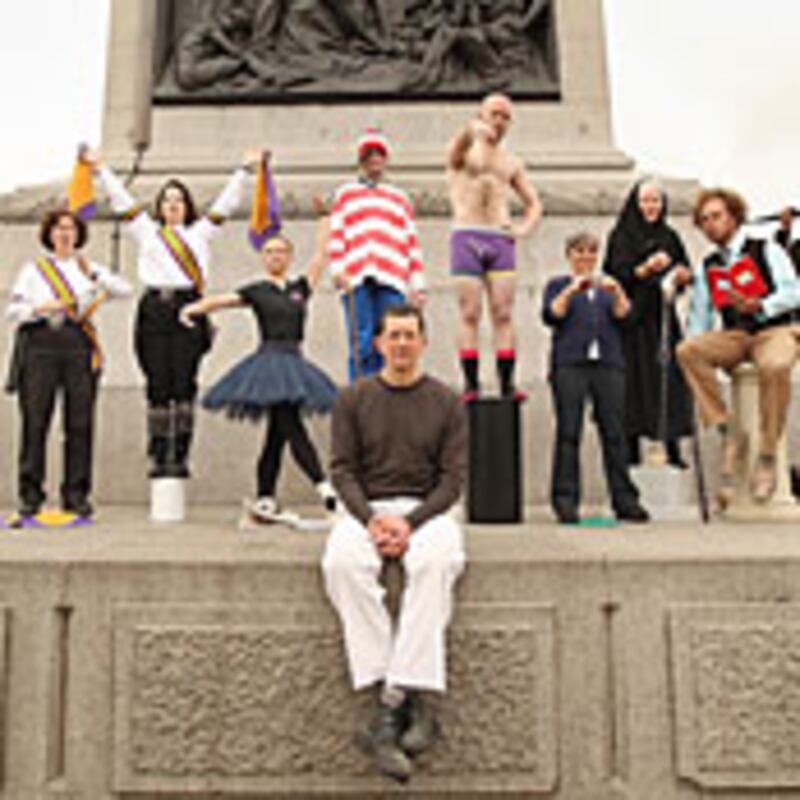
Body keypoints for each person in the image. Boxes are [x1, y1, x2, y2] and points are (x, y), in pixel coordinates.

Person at [322, 304, 466, 782]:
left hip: (427, 510)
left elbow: (452, 480)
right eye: (394, 336)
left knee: (436, 565)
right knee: (342, 565)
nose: (402, 344)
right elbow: (342, 470)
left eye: (410, 335)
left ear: (423, 342)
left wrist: (411, 523)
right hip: (367, 509)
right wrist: (371, 520)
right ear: (379, 344)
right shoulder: (353, 399)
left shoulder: (447, 401)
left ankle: (389, 706)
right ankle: (407, 696)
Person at [91, 149, 254, 479]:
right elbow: (121, 200)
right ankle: (158, 450)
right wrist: (101, 169)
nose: (173, 205)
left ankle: (180, 452)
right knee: (157, 383)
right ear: (160, 206)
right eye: (167, 200)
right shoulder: (147, 231)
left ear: (187, 205)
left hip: (188, 308)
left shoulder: (200, 233)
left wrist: (244, 171)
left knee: (183, 382)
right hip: (154, 309)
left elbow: (225, 205)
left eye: (179, 199)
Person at [179, 215, 337, 521]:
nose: (275, 256)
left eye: (281, 251)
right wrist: (191, 309)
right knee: (289, 423)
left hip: (293, 360)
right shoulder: (257, 290)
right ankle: (323, 487)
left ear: (289, 257)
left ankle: (265, 495)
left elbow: (320, 258)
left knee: (277, 434)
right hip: (268, 362)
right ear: (263, 258)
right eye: (269, 252)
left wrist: (324, 220)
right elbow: (222, 301)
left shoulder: (300, 288)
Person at [676, 188, 800, 506]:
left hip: (775, 328)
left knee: (774, 366)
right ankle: (729, 431)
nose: (711, 225)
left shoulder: (766, 248)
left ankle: (767, 455)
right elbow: (700, 318)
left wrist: (761, 305)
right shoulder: (709, 265)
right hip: (736, 335)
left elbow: (794, 292)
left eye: (716, 216)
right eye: (704, 220)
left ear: (734, 217)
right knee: (687, 351)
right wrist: (696, 345)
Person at [5, 209, 132, 518]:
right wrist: (39, 307)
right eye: (59, 228)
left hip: (77, 344)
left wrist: (95, 276)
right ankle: (30, 494)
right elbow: (12, 310)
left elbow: (124, 290)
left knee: (79, 423)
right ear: (49, 234)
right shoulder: (34, 270)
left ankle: (76, 494)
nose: (65, 234)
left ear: (78, 235)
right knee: (35, 421)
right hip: (40, 344)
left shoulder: (88, 268)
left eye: (70, 229)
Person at [542, 232, 649, 524]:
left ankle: (625, 500)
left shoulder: (607, 288)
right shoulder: (557, 285)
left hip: (608, 364)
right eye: (579, 251)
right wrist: (571, 291)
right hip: (570, 365)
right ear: (569, 256)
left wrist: (618, 292)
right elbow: (552, 315)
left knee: (614, 433)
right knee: (569, 432)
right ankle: (565, 501)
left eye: (591, 251)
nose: (586, 257)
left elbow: (626, 317)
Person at [447, 92, 542, 400]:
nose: (499, 121)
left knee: (502, 312)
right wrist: (470, 131)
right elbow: (455, 154)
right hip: (467, 234)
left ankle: (507, 383)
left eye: (505, 116)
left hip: (498, 237)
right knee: (470, 311)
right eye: (494, 114)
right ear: (481, 116)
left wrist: (522, 229)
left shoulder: (511, 161)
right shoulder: (465, 150)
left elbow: (534, 203)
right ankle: (471, 383)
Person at [602, 179, 694, 468]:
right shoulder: (621, 235)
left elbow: (685, 270)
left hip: (662, 317)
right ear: (635, 203)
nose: (651, 206)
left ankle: (672, 448)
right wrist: (643, 270)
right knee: (632, 383)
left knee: (668, 379)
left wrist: (681, 276)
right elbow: (613, 274)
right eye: (645, 201)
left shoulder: (670, 236)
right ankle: (630, 451)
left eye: (656, 201)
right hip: (632, 321)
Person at [329, 129, 426, 382]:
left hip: (392, 275)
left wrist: (418, 284)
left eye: (378, 155)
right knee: (361, 341)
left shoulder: (398, 197)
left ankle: (390, 392)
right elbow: (337, 232)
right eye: (369, 155)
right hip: (357, 275)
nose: (374, 160)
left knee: (391, 339)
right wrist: (338, 269)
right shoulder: (346, 194)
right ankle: (360, 394)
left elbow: (411, 241)